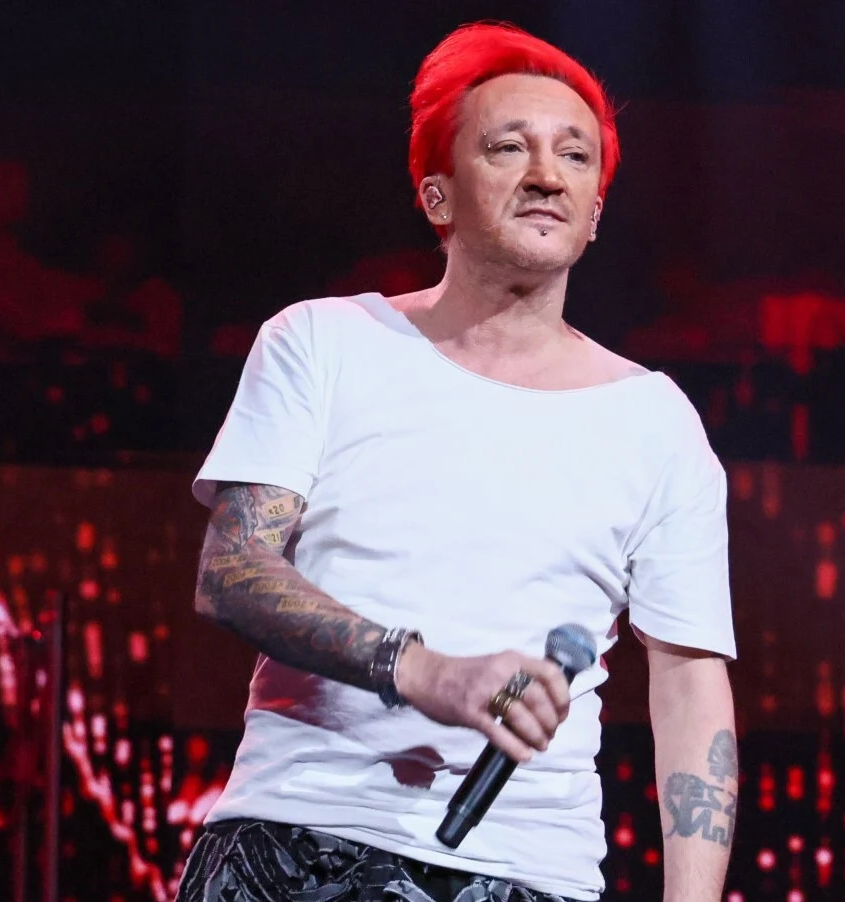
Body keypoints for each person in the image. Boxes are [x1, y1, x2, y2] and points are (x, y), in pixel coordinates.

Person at [178, 22, 738, 902]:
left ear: (595, 213)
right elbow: (234, 570)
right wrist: (424, 671)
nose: (546, 174)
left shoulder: (656, 422)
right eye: (508, 148)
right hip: (296, 840)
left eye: (575, 156)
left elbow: (689, 681)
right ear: (436, 197)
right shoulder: (323, 342)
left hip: (526, 872)